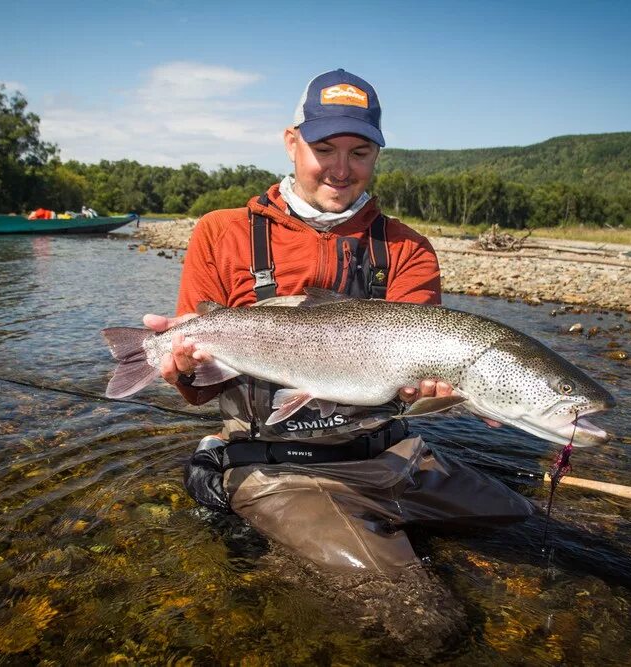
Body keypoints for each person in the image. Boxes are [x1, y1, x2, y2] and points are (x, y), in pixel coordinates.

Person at [143, 69, 534, 576]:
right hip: (276, 463)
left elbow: (420, 392)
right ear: (291, 143)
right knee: (412, 612)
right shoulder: (223, 233)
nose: (341, 170)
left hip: (390, 453)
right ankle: (226, 472)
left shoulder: (408, 249)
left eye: (360, 153)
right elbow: (198, 391)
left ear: (377, 155)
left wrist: (450, 395)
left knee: (522, 522)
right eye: (325, 149)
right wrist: (179, 369)